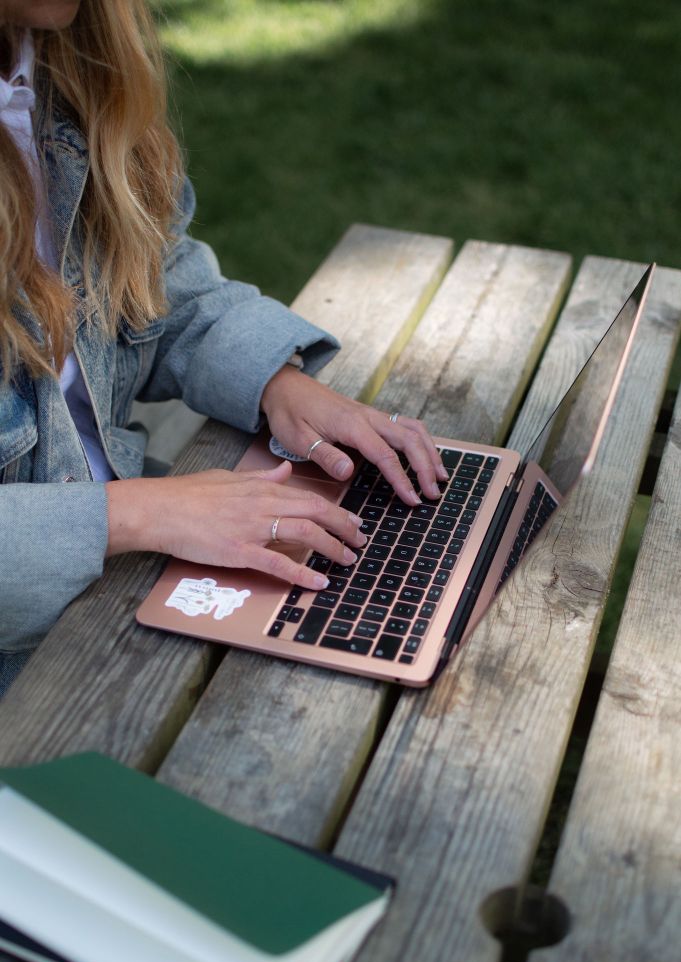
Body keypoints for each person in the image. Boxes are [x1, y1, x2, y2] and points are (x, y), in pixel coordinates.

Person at [0, 0, 447, 693]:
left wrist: (277, 381)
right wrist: (143, 512)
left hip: (127, 570)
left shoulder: (63, 66)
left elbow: (149, 279)